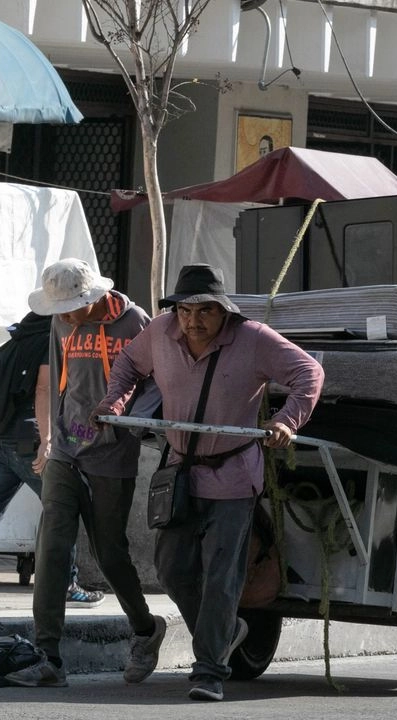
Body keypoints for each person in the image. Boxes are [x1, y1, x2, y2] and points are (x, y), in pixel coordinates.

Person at [92, 263, 324, 702]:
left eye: (204, 312)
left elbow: (309, 374)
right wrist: (115, 399)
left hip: (234, 475)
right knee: (173, 570)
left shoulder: (253, 338)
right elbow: (126, 364)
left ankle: (210, 671)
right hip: (180, 471)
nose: (193, 321)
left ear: (224, 312)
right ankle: (222, 633)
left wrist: (285, 420)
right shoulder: (159, 333)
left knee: (221, 577)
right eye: (185, 311)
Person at [3, 259, 161, 688]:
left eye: (73, 307)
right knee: (52, 547)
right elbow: (58, 379)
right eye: (60, 308)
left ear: (92, 297)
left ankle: (146, 629)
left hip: (113, 453)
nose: (66, 315)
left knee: (110, 554)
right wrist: (50, 437)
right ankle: (48, 655)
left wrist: (130, 423)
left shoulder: (134, 322)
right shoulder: (60, 323)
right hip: (67, 451)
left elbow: (156, 382)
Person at [0, 312, 104, 610]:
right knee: (63, 507)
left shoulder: (10, 346)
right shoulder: (46, 343)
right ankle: (67, 585)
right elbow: (43, 389)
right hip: (29, 440)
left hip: (1, 441)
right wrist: (47, 442)